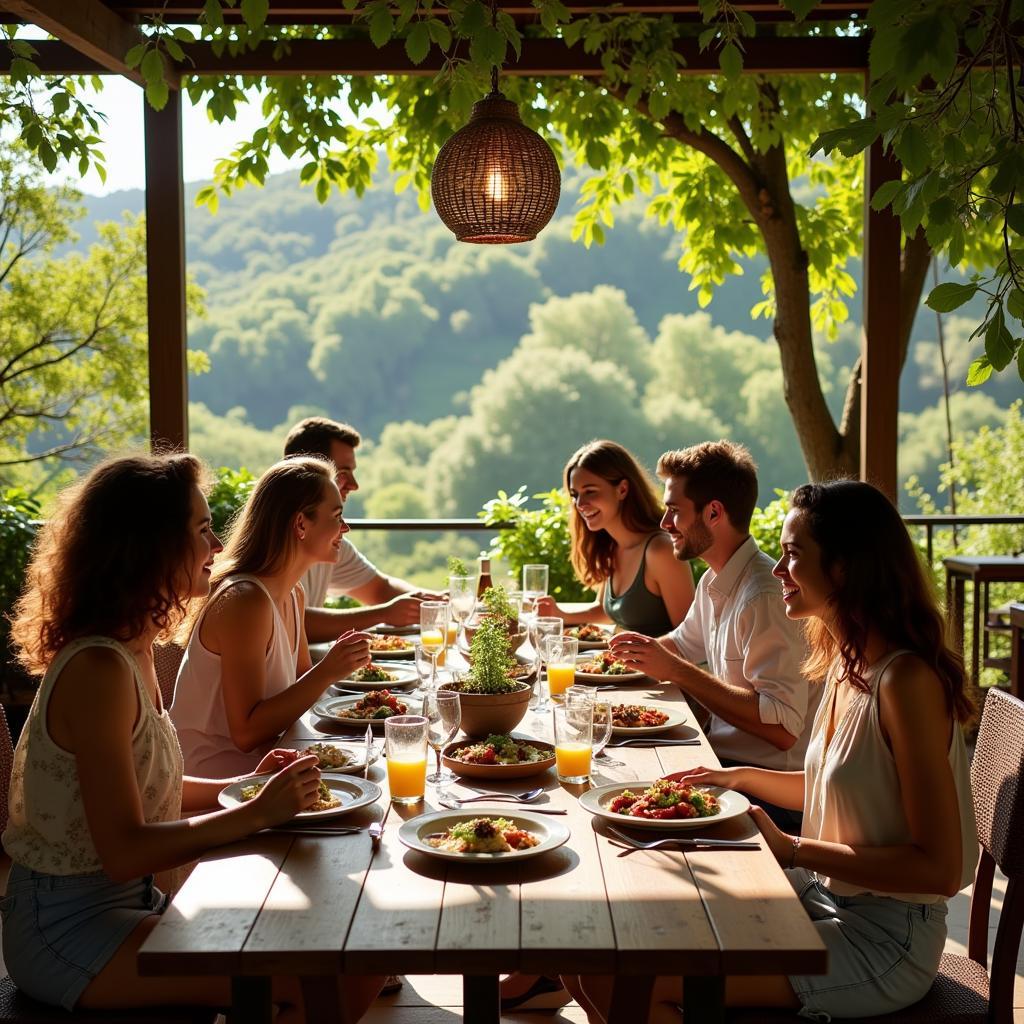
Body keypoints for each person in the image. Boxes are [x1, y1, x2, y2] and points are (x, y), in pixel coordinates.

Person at [572, 480, 978, 1023]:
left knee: (625, 979)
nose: (779, 571)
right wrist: (737, 779)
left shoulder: (904, 681)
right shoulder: (846, 659)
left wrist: (791, 848)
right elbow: (851, 790)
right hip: (823, 897)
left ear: (846, 567)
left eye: (793, 556)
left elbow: (939, 871)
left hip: (885, 939)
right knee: (603, 944)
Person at [2, 452, 384, 1018]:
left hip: (132, 903)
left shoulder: (130, 649)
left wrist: (250, 785)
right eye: (203, 529)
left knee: (356, 953)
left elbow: (155, 785)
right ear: (150, 544)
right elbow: (124, 850)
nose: (215, 546)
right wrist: (254, 813)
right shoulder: (99, 669)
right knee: (325, 978)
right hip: (69, 930)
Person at [609, 440, 815, 830]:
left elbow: (784, 729)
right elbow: (681, 647)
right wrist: (606, 664)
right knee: (615, 778)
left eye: (674, 511)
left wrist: (678, 672)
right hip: (722, 768)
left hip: (772, 801)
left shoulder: (765, 597)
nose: (665, 524)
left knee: (625, 812)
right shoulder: (714, 580)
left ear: (714, 513)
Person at [172, 456, 371, 776]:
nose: (344, 528)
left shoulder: (293, 594)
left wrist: (342, 674)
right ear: (301, 525)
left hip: (267, 764)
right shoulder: (244, 601)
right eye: (336, 516)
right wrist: (329, 670)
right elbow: (247, 733)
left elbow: (299, 694)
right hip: (215, 779)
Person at [283, 417, 441, 642]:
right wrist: (384, 613)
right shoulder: (273, 543)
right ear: (308, 472)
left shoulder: (326, 541)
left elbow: (379, 589)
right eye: (344, 473)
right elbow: (291, 623)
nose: (355, 485)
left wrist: (438, 604)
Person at [533, 439, 695, 635]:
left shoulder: (660, 550)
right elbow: (605, 611)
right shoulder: (612, 546)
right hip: (621, 664)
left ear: (622, 489)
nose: (580, 504)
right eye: (575, 495)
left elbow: (690, 640)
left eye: (590, 492)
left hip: (649, 666)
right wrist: (559, 614)